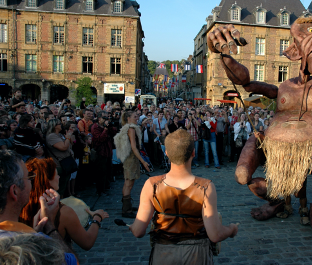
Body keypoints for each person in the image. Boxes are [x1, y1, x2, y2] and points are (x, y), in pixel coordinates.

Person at [129, 130, 238, 264]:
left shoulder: (152, 185)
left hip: (163, 252)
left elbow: (138, 231)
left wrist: (132, 226)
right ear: (193, 153)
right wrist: (232, 229)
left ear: (166, 153)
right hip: (197, 254)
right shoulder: (206, 187)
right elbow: (215, 235)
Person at [0, 150, 77, 264]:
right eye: (29, 177)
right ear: (14, 191)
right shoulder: (32, 251)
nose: (32, 181)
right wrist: (49, 228)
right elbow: (71, 262)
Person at [19, 158, 108, 251]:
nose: (59, 177)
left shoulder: (20, 207)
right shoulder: (64, 212)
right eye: (56, 174)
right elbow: (87, 242)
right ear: (47, 181)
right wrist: (97, 218)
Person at [114, 111, 150, 218]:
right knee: (128, 184)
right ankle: (126, 210)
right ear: (128, 118)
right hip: (131, 159)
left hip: (130, 158)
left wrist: (143, 125)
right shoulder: (131, 129)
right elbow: (134, 147)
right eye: (135, 116)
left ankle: (127, 205)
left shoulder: (130, 127)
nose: (137, 118)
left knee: (128, 183)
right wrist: (143, 161)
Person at [45, 119, 74, 198]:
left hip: (65, 162)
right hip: (59, 164)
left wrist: (69, 137)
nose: (61, 124)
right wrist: (67, 138)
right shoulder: (51, 136)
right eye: (59, 123)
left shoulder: (59, 135)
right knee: (60, 187)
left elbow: (69, 146)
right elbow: (64, 147)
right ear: (54, 126)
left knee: (64, 185)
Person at [91, 114, 117, 196]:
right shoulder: (95, 127)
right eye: (104, 118)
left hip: (108, 151)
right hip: (100, 152)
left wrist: (110, 126)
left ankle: (106, 186)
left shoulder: (106, 126)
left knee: (108, 170)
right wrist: (105, 129)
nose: (106, 120)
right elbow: (100, 139)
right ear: (99, 119)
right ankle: (100, 190)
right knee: (101, 172)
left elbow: (114, 132)